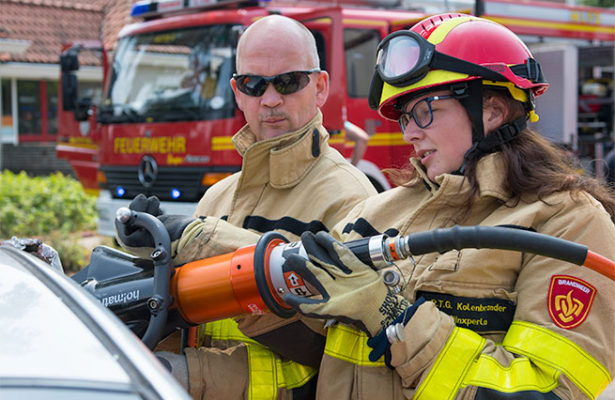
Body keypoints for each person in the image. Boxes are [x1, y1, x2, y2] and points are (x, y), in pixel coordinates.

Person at [279, 13, 615, 399]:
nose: (409, 132)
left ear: (491, 110)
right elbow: (305, 354)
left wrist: (392, 318)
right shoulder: (373, 214)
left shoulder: (567, 222)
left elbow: (546, 391)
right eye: (406, 116)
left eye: (424, 110)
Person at [115, 14, 377, 399]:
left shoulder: (351, 198)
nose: (270, 99)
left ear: (320, 87)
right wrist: (149, 258)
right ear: (238, 93)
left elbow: (331, 352)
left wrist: (193, 375)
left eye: (288, 82)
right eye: (253, 84)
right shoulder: (217, 197)